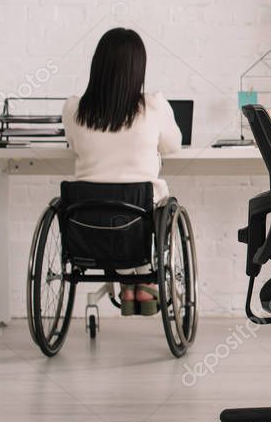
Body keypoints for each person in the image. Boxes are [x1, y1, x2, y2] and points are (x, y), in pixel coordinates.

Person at [61, 27, 182, 316]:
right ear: (138, 69)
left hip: (86, 215)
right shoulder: (153, 106)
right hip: (138, 210)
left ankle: (129, 284)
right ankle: (139, 283)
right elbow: (173, 145)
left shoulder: (74, 109)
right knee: (147, 206)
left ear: (97, 65)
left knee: (123, 205)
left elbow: (73, 144)